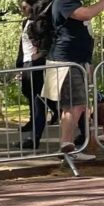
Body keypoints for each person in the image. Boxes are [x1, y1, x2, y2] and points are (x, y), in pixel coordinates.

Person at [40, 0, 104, 154]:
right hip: (66, 62)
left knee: (77, 105)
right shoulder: (64, 1)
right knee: (75, 104)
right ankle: (66, 144)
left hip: (76, 61)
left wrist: (86, 63)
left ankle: (68, 146)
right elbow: (85, 14)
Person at [16, 0, 57, 150]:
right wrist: (20, 64)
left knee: (39, 98)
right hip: (29, 62)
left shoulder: (44, 21)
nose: (23, 9)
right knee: (34, 95)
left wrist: (41, 54)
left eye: (25, 6)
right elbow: (23, 45)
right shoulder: (27, 22)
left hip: (38, 63)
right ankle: (35, 131)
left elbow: (50, 38)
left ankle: (34, 137)